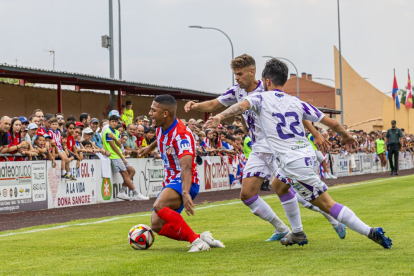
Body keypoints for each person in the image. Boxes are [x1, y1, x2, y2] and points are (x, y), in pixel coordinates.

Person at [206, 57, 392, 249]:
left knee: (327, 204)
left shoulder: (259, 98)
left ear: (266, 81)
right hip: (304, 155)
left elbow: (240, 106)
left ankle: (370, 231)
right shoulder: (297, 102)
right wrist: (346, 136)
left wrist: (219, 116)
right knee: (278, 185)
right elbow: (334, 123)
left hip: (293, 162)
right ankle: (297, 233)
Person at [185, 54, 335, 242]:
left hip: (275, 147)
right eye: (235, 74)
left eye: (239, 74)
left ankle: (331, 217)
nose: (237, 78)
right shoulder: (236, 91)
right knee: (247, 194)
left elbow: (297, 111)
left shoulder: (267, 89)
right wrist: (195, 105)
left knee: (296, 191)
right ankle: (281, 228)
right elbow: (214, 104)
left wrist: (315, 132)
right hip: (258, 148)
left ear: (252, 72)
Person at [138, 94, 224, 253]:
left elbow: (186, 168)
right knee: (156, 225)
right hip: (172, 181)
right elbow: (161, 139)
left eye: (153, 110)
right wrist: (148, 148)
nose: (150, 113)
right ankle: (201, 237)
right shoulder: (161, 126)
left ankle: (197, 242)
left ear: (165, 113)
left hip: (186, 181)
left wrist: (185, 192)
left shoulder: (182, 135)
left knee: (159, 206)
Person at [102, 115, 149, 201]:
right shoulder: (107, 132)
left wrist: (114, 138)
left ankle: (122, 192)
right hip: (114, 156)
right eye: (112, 121)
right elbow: (114, 147)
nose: (114, 123)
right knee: (125, 174)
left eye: (115, 122)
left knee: (132, 171)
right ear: (109, 122)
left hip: (119, 155)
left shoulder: (116, 132)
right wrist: (122, 158)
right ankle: (136, 193)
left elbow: (120, 145)